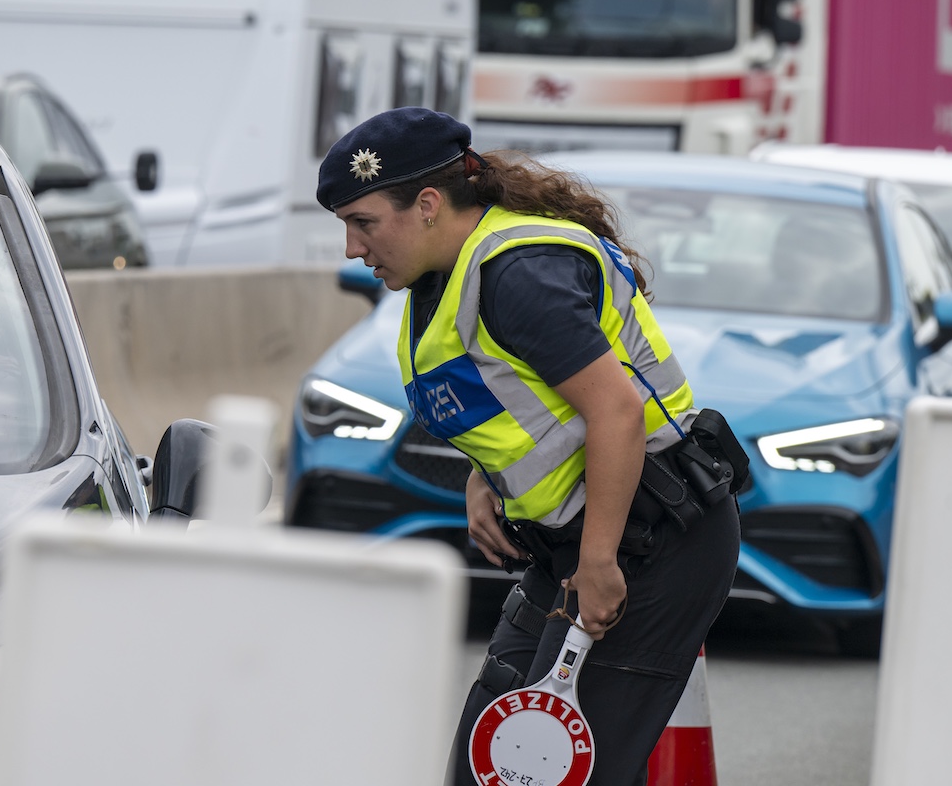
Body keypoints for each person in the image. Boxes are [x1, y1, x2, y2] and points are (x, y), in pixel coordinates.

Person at [315, 107, 741, 785]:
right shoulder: (447, 271)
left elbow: (617, 413)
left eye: (362, 222)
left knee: (554, 772)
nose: (351, 247)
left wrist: (600, 562)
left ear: (427, 205)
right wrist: (486, 476)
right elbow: (513, 393)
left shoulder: (518, 276)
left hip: (651, 542)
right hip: (573, 544)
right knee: (490, 763)